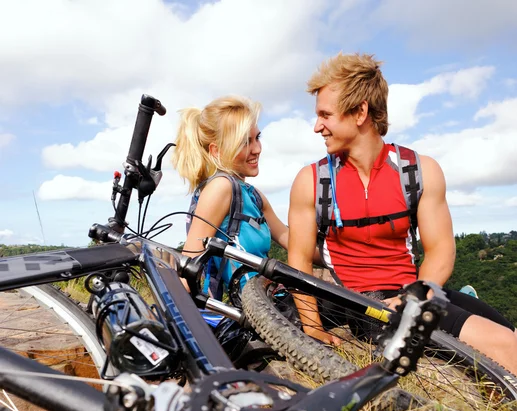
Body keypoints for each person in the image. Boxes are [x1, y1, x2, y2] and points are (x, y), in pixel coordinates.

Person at [288, 52, 517, 377]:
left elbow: (440, 251)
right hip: (364, 304)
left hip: (413, 292)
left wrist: (415, 295)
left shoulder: (418, 171)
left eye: (326, 115)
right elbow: (299, 259)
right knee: (503, 346)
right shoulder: (312, 181)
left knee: (510, 335)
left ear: (360, 112)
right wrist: (311, 326)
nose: (317, 127)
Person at [172, 95, 288, 299]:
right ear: (216, 151)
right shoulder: (221, 188)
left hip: (273, 301)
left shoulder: (252, 195)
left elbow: (290, 239)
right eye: (245, 142)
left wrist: (337, 253)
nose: (257, 149)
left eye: (257, 138)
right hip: (257, 314)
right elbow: (188, 268)